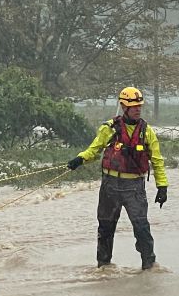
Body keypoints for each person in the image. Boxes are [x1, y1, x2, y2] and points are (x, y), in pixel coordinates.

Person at [66, 85, 168, 270]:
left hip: (135, 187)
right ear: (124, 107)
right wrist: (80, 159)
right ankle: (104, 267)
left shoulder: (147, 132)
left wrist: (162, 187)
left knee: (142, 228)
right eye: (133, 106)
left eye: (139, 106)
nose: (138, 109)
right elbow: (94, 149)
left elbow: (157, 161)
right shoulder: (109, 128)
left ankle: (149, 266)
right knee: (105, 228)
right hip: (110, 186)